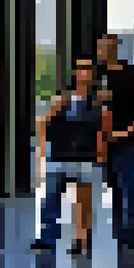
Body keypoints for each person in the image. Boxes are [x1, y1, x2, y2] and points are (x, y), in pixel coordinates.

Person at [31, 59, 104, 256]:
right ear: (75, 73)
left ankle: (81, 240)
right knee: (51, 199)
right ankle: (47, 238)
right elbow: (44, 123)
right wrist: (43, 149)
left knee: (83, 201)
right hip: (60, 155)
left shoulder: (97, 102)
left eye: (88, 69)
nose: (84, 73)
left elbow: (101, 130)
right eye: (80, 69)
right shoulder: (63, 100)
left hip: (85, 156)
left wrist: (99, 152)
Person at [96, 34, 134, 252]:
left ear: (116, 47)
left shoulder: (131, 74)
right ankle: (121, 231)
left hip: (125, 140)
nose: (104, 50)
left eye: (108, 46)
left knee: (129, 186)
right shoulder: (97, 74)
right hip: (104, 140)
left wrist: (129, 131)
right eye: (101, 46)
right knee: (115, 186)